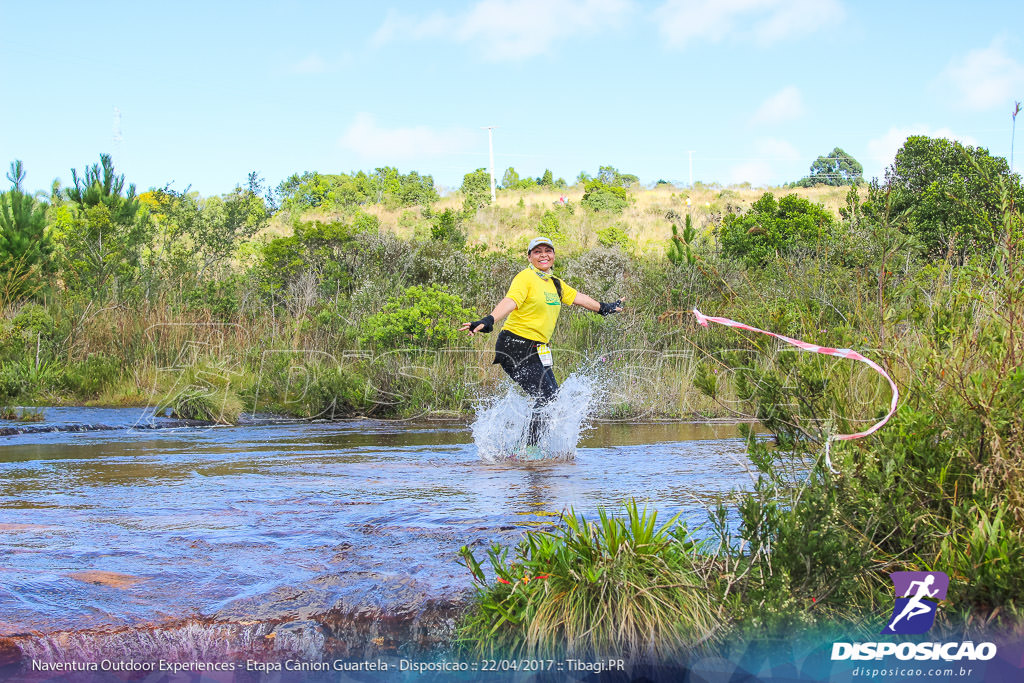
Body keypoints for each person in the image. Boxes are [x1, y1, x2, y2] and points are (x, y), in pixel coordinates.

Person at [459, 236, 623, 454]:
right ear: (529, 257)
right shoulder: (525, 278)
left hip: (537, 349)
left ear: (553, 256)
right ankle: (529, 449)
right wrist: (488, 320)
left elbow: (578, 298)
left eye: (548, 250)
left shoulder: (554, 283)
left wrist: (604, 308)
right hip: (514, 345)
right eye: (537, 252)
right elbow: (511, 300)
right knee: (546, 397)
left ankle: (523, 447)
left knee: (552, 399)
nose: (543, 255)